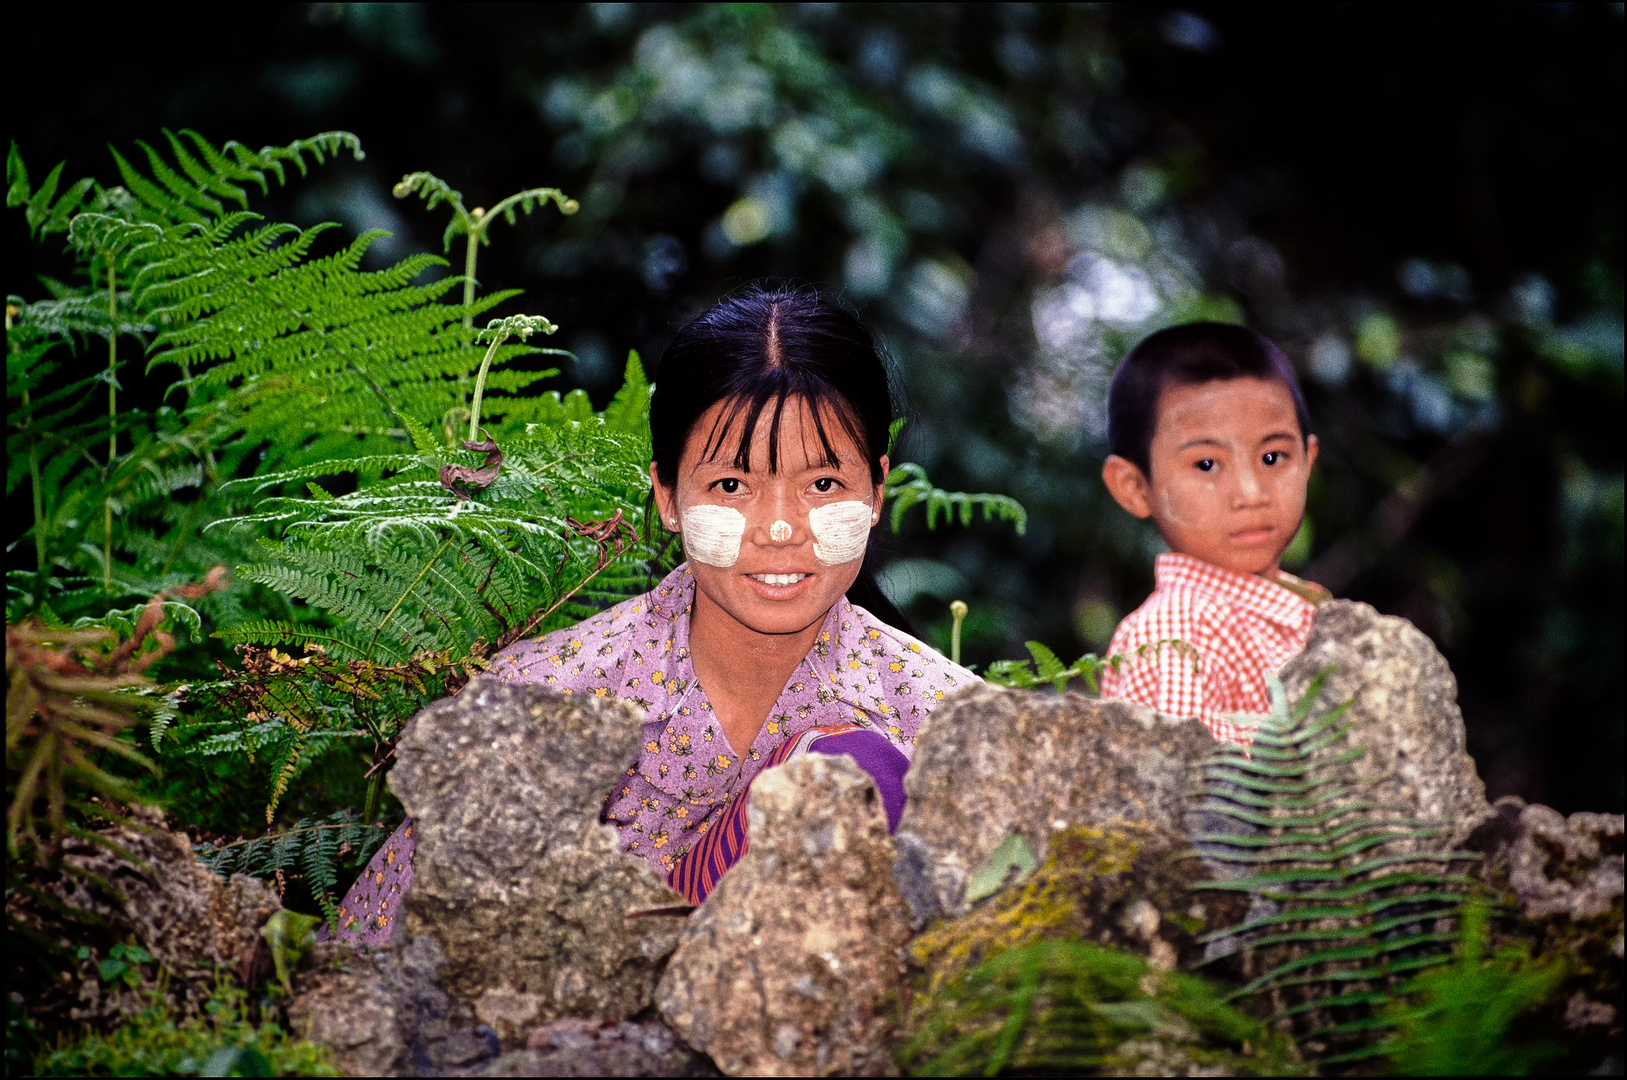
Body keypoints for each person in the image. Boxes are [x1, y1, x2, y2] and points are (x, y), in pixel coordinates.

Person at [330, 288, 977, 946]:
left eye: (822, 485)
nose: (780, 527)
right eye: (731, 485)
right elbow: (370, 961)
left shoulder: (949, 728)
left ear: (876, 492)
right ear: (667, 496)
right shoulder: (539, 703)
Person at [1097, 322, 1330, 746]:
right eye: (1206, 464)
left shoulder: (1306, 613)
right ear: (1133, 486)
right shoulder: (1178, 631)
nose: (1251, 493)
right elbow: (1187, 800)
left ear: (1307, 460)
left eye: (1273, 457)